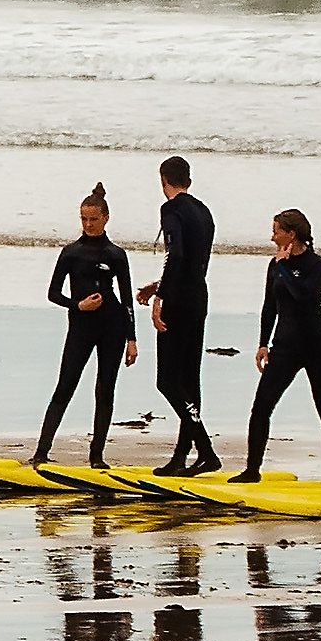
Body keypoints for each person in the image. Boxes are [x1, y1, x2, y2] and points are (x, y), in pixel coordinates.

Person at [234, 209, 321, 482]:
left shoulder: (320, 265)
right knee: (261, 406)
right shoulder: (274, 265)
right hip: (285, 346)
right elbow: (269, 305)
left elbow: (304, 296)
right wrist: (262, 343)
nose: (272, 237)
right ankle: (252, 470)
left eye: (276, 231)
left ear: (291, 234)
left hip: (318, 345)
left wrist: (284, 265)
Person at [31, 184, 137, 465]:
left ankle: (97, 457)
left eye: (93, 219)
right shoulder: (71, 253)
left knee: (105, 389)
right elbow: (53, 293)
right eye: (83, 219)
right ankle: (41, 453)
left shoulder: (116, 254)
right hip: (80, 326)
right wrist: (78, 305)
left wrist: (132, 339)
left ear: (105, 218)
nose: (88, 224)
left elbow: (127, 299)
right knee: (65, 385)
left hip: (112, 327)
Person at [139, 155, 217, 475]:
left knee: (167, 380)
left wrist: (161, 296)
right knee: (189, 380)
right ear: (189, 179)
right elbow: (194, 264)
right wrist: (160, 284)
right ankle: (182, 456)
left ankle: (206, 450)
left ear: (163, 180)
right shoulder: (204, 211)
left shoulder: (170, 210)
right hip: (198, 297)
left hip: (179, 303)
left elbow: (176, 254)